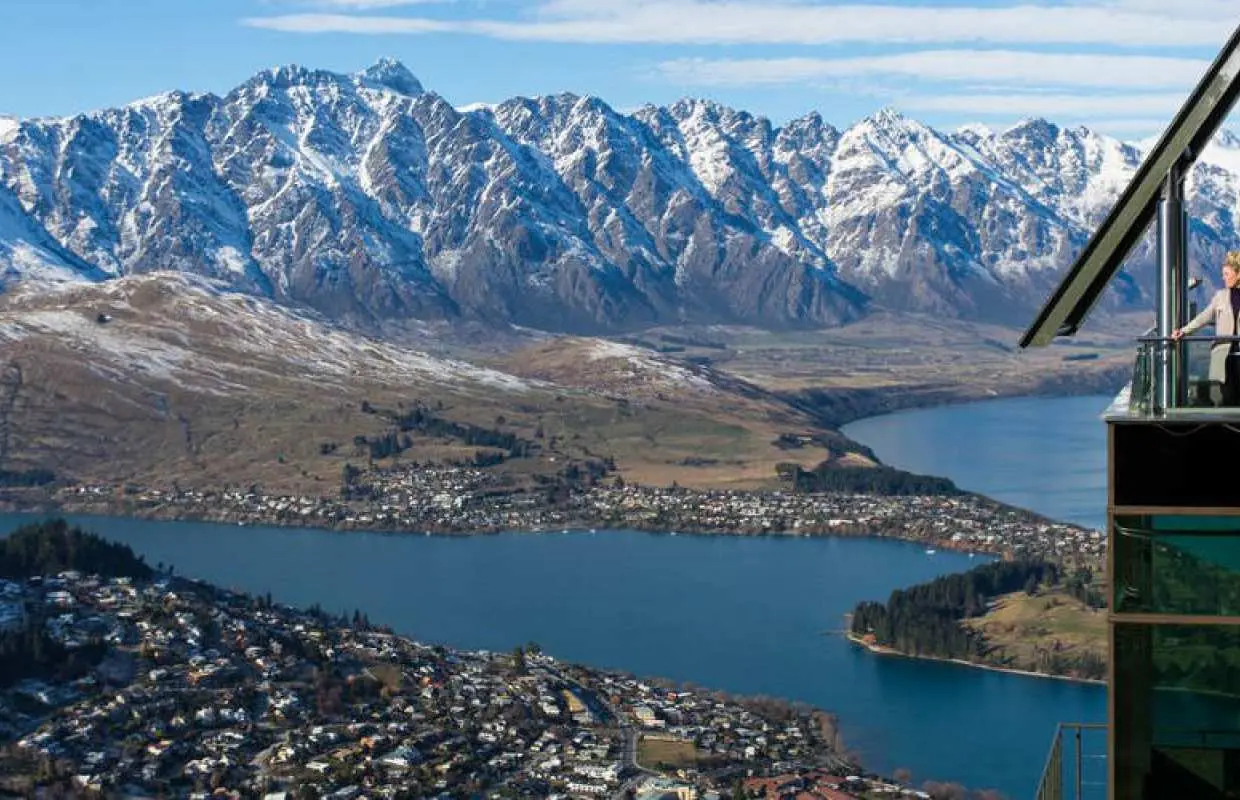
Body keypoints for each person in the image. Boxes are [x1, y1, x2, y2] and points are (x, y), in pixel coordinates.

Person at [1173, 250, 1240, 405]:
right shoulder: (1220, 297)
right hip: (1225, 357)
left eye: (1226, 274)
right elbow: (1203, 317)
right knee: (1227, 397)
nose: (1223, 278)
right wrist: (1184, 331)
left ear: (1238, 275)